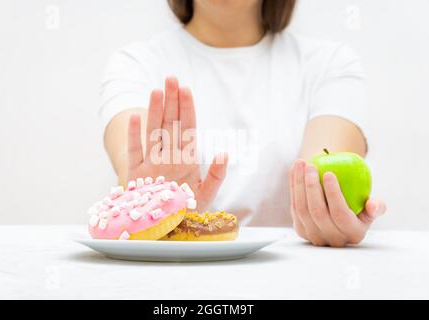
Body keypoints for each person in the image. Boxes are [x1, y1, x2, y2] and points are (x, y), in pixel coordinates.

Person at [99, 0, 386, 247]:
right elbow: (133, 166)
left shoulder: (330, 64)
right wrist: (158, 205)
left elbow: (322, 176)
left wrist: (328, 218)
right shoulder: (136, 64)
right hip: (173, 279)